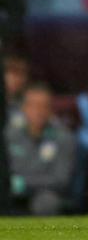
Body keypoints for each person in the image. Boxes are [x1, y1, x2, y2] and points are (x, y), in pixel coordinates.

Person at [6, 83, 76, 215]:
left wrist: (22, 183)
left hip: (44, 194)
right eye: (33, 105)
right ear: (24, 108)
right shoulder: (10, 136)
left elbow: (60, 180)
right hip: (11, 193)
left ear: (51, 110)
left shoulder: (64, 138)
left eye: (44, 106)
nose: (38, 111)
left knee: (47, 202)